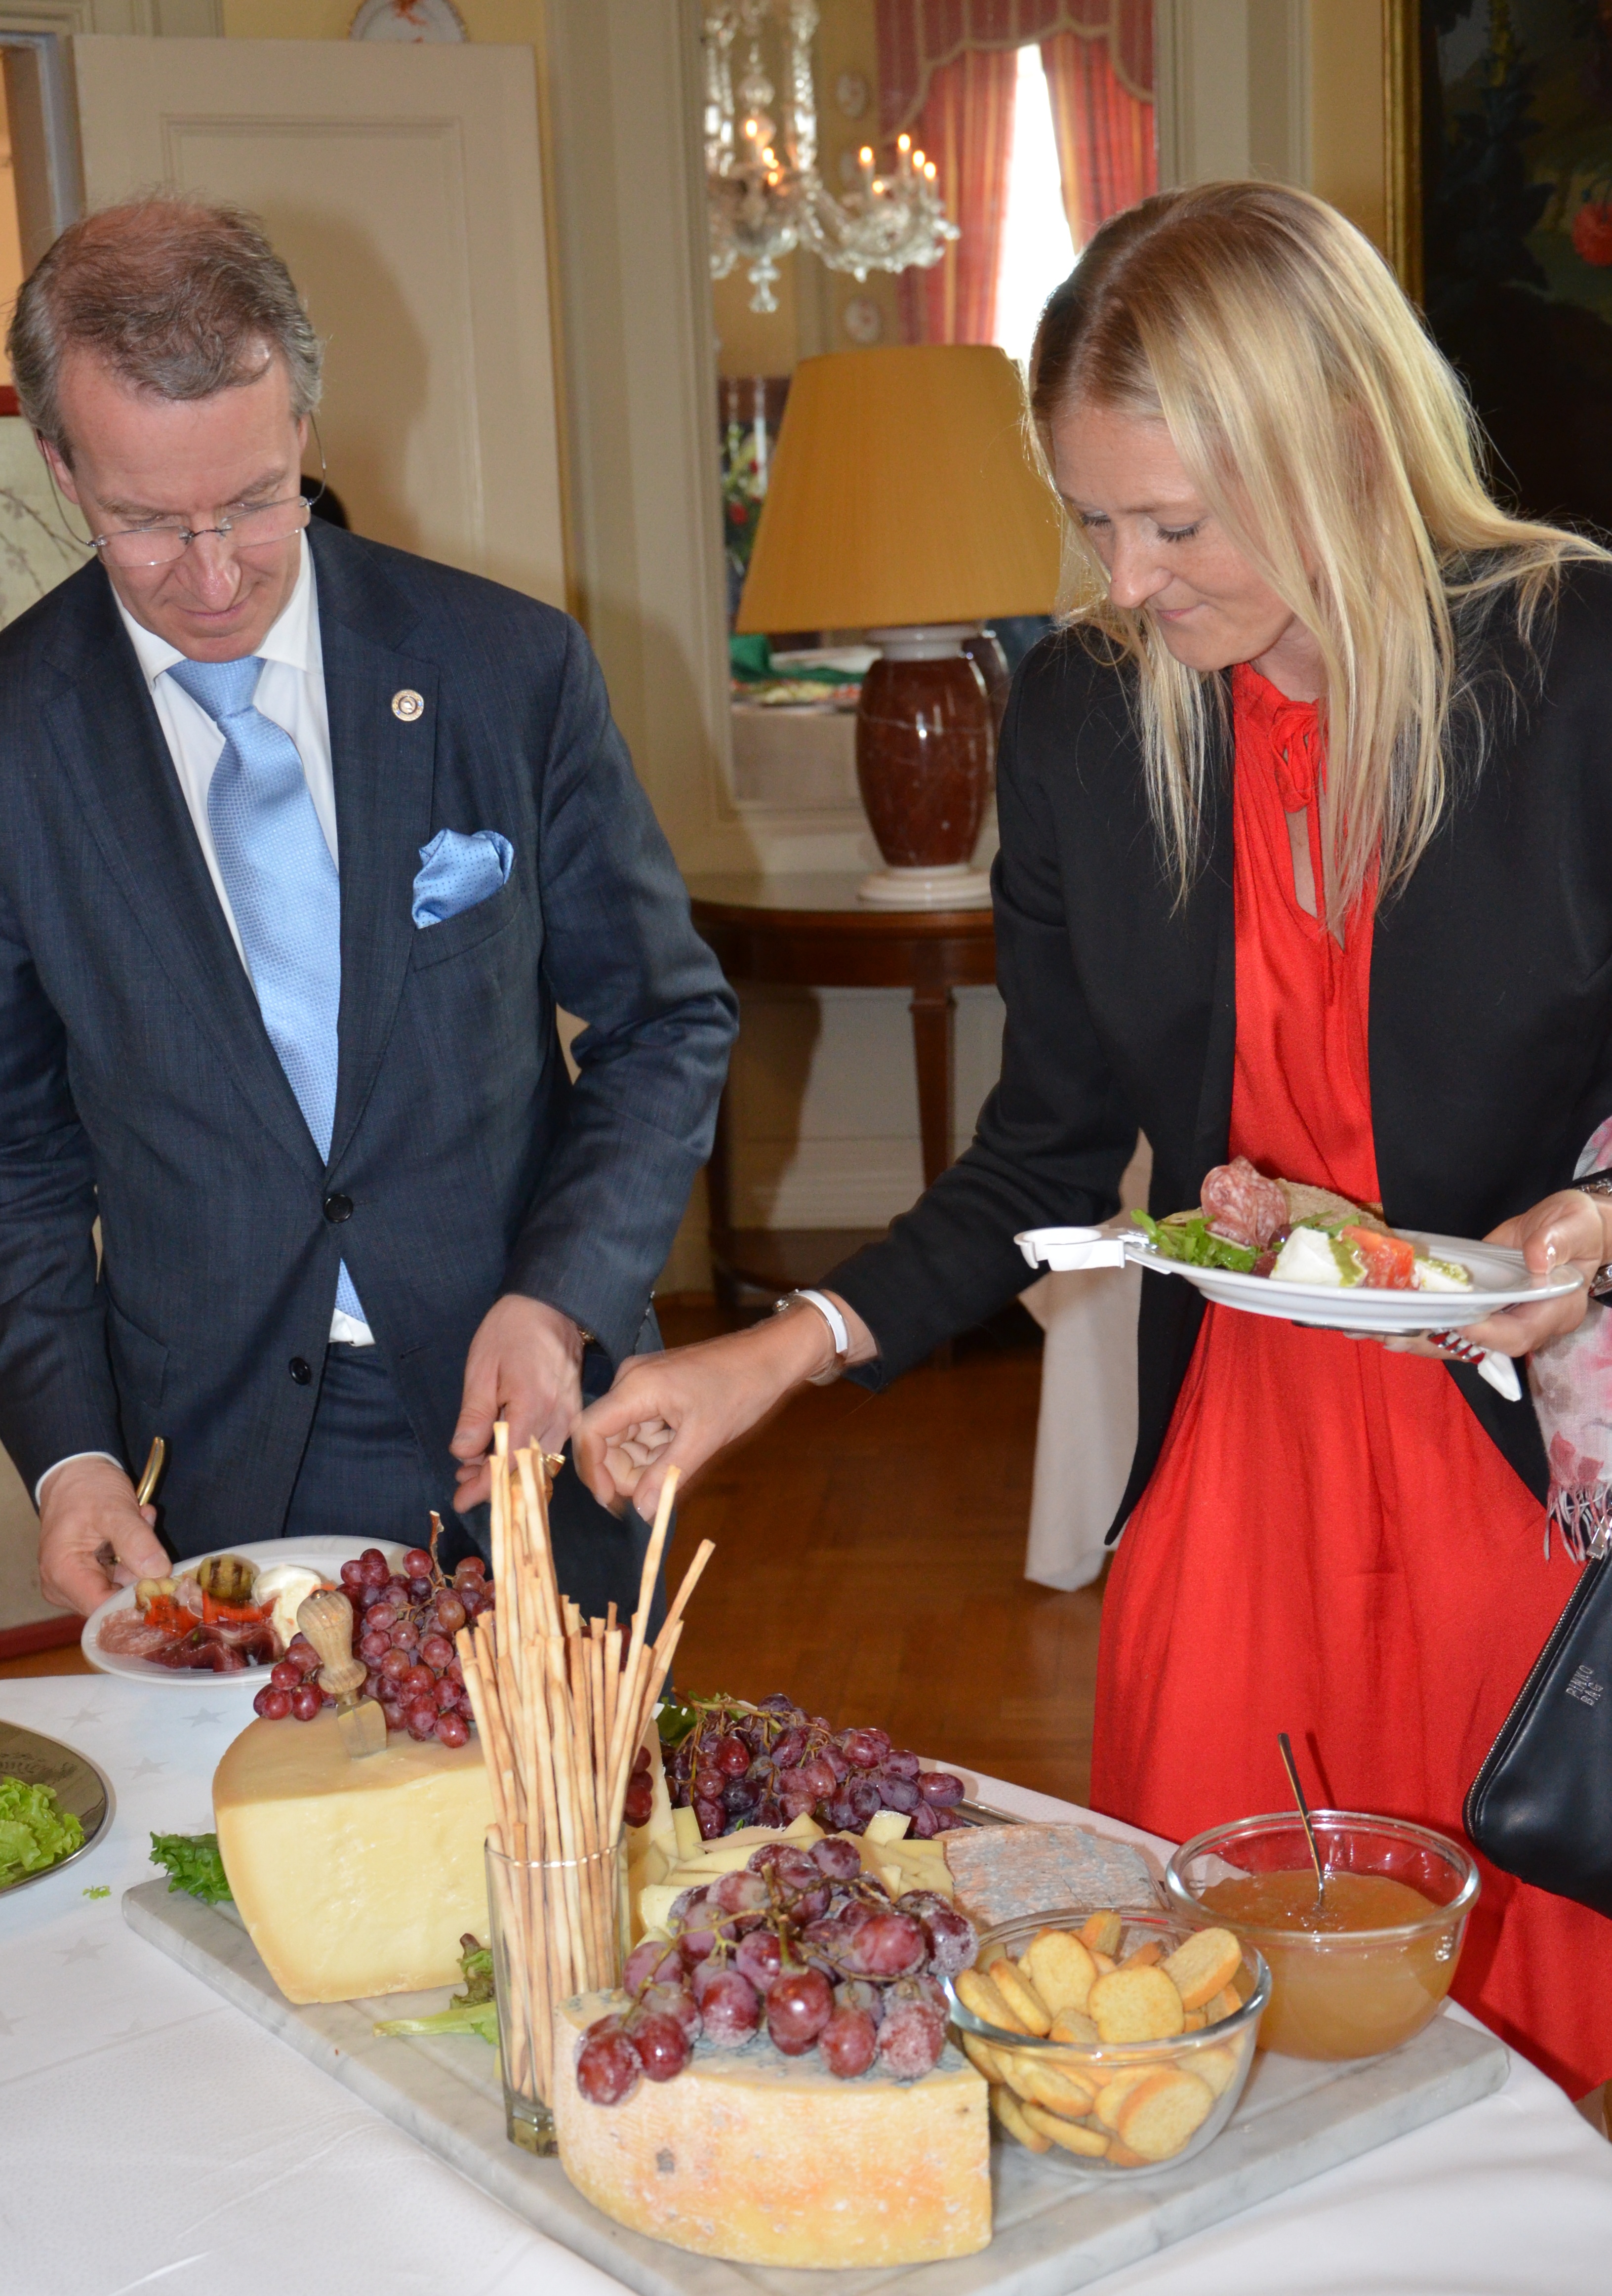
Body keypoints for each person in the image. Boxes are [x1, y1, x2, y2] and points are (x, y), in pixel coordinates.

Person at [574, 182, 1612, 2096]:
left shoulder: (1578, 667)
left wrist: (1596, 1219)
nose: (1127, 582)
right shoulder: (1081, 721)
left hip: (1523, 1494)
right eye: (1094, 521)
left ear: (1342, 441)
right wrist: (773, 1353)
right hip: (1241, 1475)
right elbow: (1044, 1155)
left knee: (1515, 2076)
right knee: (1200, 2035)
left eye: (1176, 524)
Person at [0, 196, 736, 1623]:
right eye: (146, 524)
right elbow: (14, 1158)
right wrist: (71, 1458)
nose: (214, 574)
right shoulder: (17, 741)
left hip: (534, 1409)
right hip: (210, 1457)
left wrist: (561, 1296)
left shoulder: (505, 669)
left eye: (256, 500)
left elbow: (665, 1024)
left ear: (306, 427)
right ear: (59, 465)